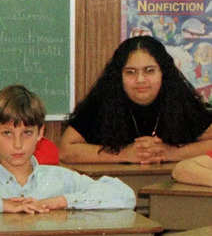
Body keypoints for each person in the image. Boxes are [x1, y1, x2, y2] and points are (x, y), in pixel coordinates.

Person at [0, 85, 135, 214]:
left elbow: (125, 195)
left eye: (27, 133)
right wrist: (1, 205)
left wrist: (61, 201)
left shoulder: (59, 179)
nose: (18, 144)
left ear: (40, 133)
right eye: (7, 133)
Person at [60, 36, 212, 164]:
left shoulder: (181, 101)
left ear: (163, 73)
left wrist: (169, 153)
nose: (140, 79)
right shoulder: (103, 101)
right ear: (119, 76)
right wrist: (124, 154)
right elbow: (66, 150)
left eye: (149, 71)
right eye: (130, 72)